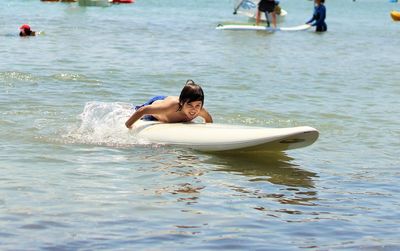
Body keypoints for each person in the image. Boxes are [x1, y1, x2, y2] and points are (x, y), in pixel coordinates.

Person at [125, 80, 213, 129]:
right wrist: (129, 126)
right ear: (182, 103)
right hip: (155, 107)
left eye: (198, 105)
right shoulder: (171, 107)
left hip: (169, 102)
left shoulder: (200, 110)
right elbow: (143, 110)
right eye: (190, 105)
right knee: (131, 112)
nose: (194, 109)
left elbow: (208, 120)